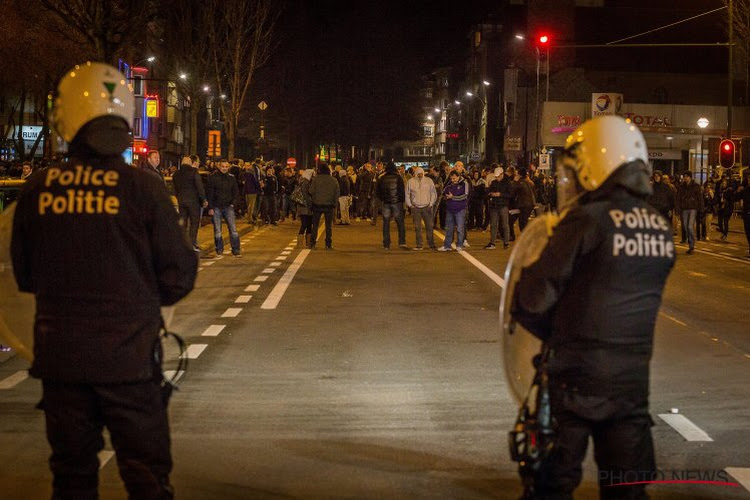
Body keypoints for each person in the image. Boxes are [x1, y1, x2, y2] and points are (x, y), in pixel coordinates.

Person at [11, 62, 197, 500]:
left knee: (72, 477)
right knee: (146, 476)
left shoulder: (38, 189)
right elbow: (179, 274)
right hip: (130, 362)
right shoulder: (144, 188)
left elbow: (23, 273)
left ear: (66, 117)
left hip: (62, 363)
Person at [512, 116, 675, 499]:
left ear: (593, 167)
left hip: (574, 382)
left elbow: (532, 298)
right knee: (627, 490)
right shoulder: (659, 226)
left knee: (551, 486)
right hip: (632, 385)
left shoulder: (585, 221)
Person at [206, 160, 241, 257]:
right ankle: (219, 250)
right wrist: (211, 207)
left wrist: (233, 203)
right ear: (219, 166)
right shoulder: (213, 178)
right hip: (216, 207)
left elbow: (236, 192)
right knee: (217, 230)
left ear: (228, 167)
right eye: (223, 166)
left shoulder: (231, 178)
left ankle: (236, 250)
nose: (224, 168)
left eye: (226, 166)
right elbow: (210, 194)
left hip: (228, 206)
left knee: (233, 229)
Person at [173, 155, 208, 251]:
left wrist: (179, 197)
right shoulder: (194, 172)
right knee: (194, 222)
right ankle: (191, 243)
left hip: (181, 201)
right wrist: (203, 199)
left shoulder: (176, 174)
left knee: (183, 222)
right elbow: (199, 187)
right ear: (190, 163)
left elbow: (175, 188)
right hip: (193, 201)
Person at [376, 161, 407, 250]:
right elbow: (401, 190)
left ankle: (386, 244)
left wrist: (383, 199)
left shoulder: (381, 178)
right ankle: (402, 242)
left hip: (386, 203)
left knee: (386, 223)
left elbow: (378, 191)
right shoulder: (398, 177)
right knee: (400, 222)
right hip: (396, 202)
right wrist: (402, 201)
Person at [405, 166, 437, 250]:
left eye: (421, 174)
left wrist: (431, 204)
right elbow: (407, 194)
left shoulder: (428, 181)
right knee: (417, 227)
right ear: (415, 174)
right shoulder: (410, 182)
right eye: (418, 174)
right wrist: (410, 205)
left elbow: (433, 193)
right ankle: (419, 244)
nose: (420, 175)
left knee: (429, 226)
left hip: (427, 207)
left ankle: (431, 244)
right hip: (415, 207)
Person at [309, 163, 339, 249]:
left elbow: (311, 191)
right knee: (328, 226)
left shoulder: (315, 179)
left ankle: (313, 243)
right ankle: (328, 244)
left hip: (317, 204)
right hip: (329, 205)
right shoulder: (334, 180)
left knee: (315, 225)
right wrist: (334, 203)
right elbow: (337, 193)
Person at [438, 170, 470, 252]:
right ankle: (447, 245)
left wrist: (453, 197)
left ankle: (459, 245)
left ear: (458, 176)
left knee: (460, 228)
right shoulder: (449, 184)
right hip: (449, 209)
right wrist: (446, 197)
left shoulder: (464, 183)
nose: (453, 180)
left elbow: (465, 196)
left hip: (460, 209)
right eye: (451, 178)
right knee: (449, 228)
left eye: (454, 178)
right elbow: (443, 193)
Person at [485, 167, 513, 249]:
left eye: (498, 176)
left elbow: (511, 194)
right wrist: (490, 194)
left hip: (503, 205)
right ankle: (492, 242)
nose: (497, 178)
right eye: (496, 176)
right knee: (493, 225)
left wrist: (500, 194)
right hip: (494, 205)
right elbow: (488, 192)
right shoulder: (493, 182)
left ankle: (506, 242)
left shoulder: (507, 183)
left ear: (502, 174)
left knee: (505, 224)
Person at [676, 171, 703, 254]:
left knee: (690, 226)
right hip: (684, 208)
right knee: (685, 226)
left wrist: (701, 209)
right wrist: (678, 208)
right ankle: (690, 243)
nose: (685, 178)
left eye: (687, 176)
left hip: (692, 208)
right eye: (684, 176)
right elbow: (678, 198)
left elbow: (700, 198)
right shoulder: (681, 187)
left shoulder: (696, 186)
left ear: (690, 177)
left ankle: (692, 245)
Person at [295, 168, 314, 248]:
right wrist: (310, 204)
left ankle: (307, 242)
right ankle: (301, 243)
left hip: (304, 206)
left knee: (308, 224)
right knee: (305, 224)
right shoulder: (305, 182)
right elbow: (306, 195)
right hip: (305, 206)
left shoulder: (303, 181)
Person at [715, 177, 734, 241]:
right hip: (721, 208)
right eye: (723, 183)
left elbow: (731, 200)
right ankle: (723, 232)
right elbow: (717, 198)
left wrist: (726, 203)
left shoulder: (729, 191)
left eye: (725, 183)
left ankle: (725, 235)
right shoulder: (720, 191)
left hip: (727, 209)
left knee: (725, 222)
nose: (723, 184)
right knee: (719, 222)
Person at [737, 175, 750, 256]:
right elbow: (735, 198)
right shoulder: (746, 190)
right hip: (747, 214)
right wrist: (738, 191)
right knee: (748, 231)